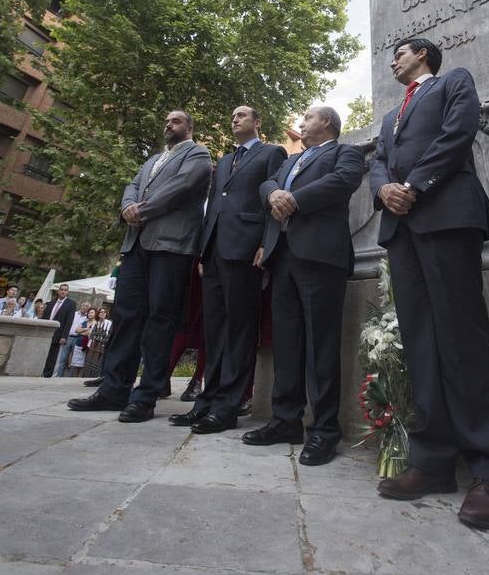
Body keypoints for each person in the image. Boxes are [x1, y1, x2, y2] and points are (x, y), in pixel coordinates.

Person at [369, 36, 489, 529]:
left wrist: (413, 185)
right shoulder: (391, 116)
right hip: (402, 231)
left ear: (425, 56)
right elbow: (376, 162)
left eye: (402, 53)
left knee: (461, 342)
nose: (394, 60)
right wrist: (384, 188)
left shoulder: (453, 81)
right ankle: (433, 463)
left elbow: (458, 132)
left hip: (446, 216)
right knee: (421, 347)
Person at [68, 109, 211, 421]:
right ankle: (113, 390)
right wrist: (127, 207)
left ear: (189, 127)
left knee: (161, 318)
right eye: (166, 121)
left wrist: (140, 211)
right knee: (127, 317)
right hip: (136, 246)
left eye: (175, 121)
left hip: (171, 246)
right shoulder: (152, 160)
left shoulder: (198, 154)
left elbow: (182, 187)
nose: (168, 125)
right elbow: (131, 186)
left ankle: (145, 398)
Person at [242, 106, 364, 466]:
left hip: (321, 256)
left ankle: (324, 430)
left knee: (321, 346)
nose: (301, 123)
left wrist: (295, 198)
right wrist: (272, 195)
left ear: (326, 122)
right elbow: (267, 182)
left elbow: (343, 181)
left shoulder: (346, 152)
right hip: (284, 257)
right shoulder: (290, 160)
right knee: (288, 343)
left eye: (308, 118)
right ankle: (285, 421)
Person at [170, 105, 286, 433]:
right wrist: (205, 253)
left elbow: (271, 201)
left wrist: (267, 243)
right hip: (215, 254)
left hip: (246, 253)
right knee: (214, 332)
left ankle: (227, 407)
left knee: (239, 331)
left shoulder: (271, 153)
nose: (235, 120)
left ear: (258, 121)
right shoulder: (223, 160)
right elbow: (214, 207)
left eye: (242, 116)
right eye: (232, 116)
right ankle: (206, 402)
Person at [42, 284, 76, 376]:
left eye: (65, 290)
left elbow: (69, 321)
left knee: (52, 356)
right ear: (58, 291)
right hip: (46, 333)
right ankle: (41, 371)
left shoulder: (71, 304)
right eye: (61, 289)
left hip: (58, 334)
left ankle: (47, 374)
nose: (63, 291)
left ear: (67, 292)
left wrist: (64, 336)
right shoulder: (51, 302)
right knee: (43, 353)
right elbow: (45, 317)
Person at [52, 301, 92, 377]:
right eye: (83, 305)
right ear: (81, 305)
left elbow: (88, 330)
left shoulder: (88, 318)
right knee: (62, 359)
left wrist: (81, 331)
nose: (84, 307)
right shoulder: (74, 314)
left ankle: (70, 378)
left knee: (75, 361)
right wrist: (63, 336)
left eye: (87, 306)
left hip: (79, 339)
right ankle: (58, 376)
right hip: (69, 337)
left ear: (89, 308)